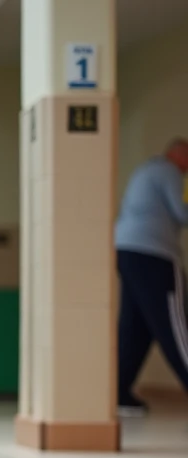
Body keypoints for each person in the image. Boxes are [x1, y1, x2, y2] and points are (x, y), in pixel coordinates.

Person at [114, 137, 188, 416]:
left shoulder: (146, 170)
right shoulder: (169, 172)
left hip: (126, 251)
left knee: (136, 327)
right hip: (155, 255)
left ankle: (120, 392)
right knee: (177, 325)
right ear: (180, 155)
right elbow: (181, 212)